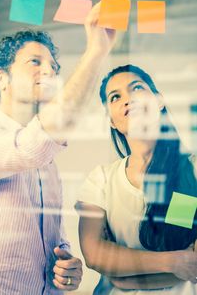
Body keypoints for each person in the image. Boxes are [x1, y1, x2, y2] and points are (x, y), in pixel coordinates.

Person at [0, 3, 117, 294]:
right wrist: (96, 52)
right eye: (34, 62)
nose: (49, 70)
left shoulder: (47, 164)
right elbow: (32, 146)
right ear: (0, 78)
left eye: (54, 67)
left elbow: (55, 242)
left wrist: (67, 267)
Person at [76, 64, 197, 295]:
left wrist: (123, 275)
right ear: (111, 120)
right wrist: (174, 262)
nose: (127, 99)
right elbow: (94, 255)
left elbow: (194, 263)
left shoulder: (191, 171)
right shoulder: (101, 179)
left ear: (159, 101)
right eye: (115, 97)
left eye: (137, 88)